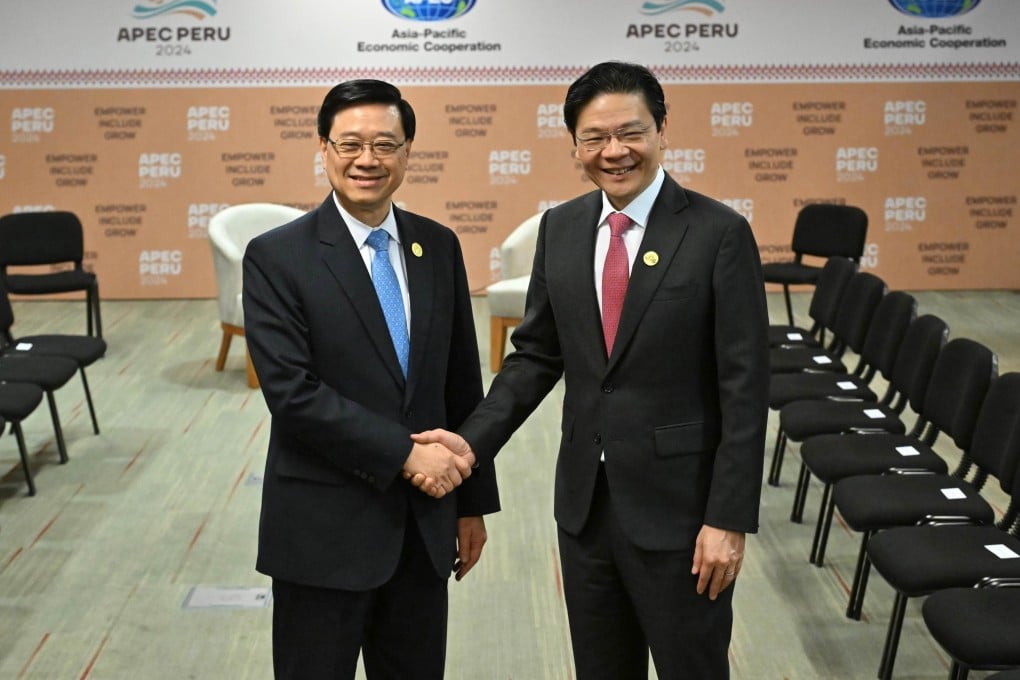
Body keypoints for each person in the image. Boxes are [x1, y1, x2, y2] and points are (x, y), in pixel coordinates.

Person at [411, 61, 769, 679]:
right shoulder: (562, 228)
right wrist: (470, 444)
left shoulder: (719, 234)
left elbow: (744, 388)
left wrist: (727, 519)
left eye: (630, 133)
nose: (614, 151)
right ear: (574, 145)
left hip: (682, 515)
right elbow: (536, 355)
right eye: (595, 137)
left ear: (661, 130)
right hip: (585, 508)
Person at [242, 79, 500, 680]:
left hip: (423, 528)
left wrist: (471, 505)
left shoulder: (438, 246)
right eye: (350, 144)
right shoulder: (278, 256)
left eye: (385, 144)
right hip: (322, 533)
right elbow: (292, 394)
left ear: (407, 152)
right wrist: (407, 455)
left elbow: (462, 383)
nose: (367, 160)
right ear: (323, 149)